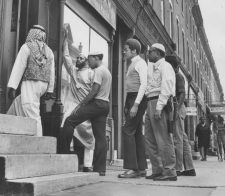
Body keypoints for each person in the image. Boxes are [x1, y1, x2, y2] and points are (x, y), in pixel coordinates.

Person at [59, 50, 112, 176]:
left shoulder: (98, 71)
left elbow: (94, 91)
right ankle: (100, 169)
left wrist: (81, 104)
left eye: (90, 59)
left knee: (69, 121)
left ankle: (64, 154)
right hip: (105, 105)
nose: (89, 62)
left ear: (96, 58)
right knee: (100, 137)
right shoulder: (107, 71)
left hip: (96, 104)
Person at [7, 25, 55, 136]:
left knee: (31, 110)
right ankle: (7, 127)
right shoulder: (49, 51)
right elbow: (52, 73)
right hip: (43, 86)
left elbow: (19, 66)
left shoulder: (27, 47)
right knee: (19, 102)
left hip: (31, 82)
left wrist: (12, 87)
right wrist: (50, 90)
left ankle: (38, 141)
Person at [61, 28, 95, 172]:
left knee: (89, 138)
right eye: (78, 58)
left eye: (81, 58)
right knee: (66, 122)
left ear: (87, 61)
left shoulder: (92, 74)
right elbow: (67, 57)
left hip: (86, 109)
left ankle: (88, 165)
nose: (78, 60)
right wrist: (65, 41)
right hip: (73, 106)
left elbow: (96, 92)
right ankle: (66, 156)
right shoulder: (73, 71)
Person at [145, 43, 177, 181]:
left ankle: (170, 171)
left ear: (158, 53)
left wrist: (159, 107)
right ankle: (157, 169)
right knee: (150, 138)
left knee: (163, 138)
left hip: (159, 102)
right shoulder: (152, 67)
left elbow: (167, 87)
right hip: (150, 101)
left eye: (150, 51)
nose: (148, 53)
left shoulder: (166, 66)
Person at [118, 39, 147, 179]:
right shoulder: (132, 64)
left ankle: (132, 168)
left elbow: (144, 85)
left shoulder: (141, 63)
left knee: (127, 130)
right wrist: (127, 104)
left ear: (134, 51)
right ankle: (141, 168)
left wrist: (135, 104)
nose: (124, 51)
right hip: (131, 98)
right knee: (135, 133)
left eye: (126, 49)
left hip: (137, 99)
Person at [166, 55, 196, 176]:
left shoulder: (178, 76)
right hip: (178, 108)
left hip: (178, 108)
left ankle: (178, 168)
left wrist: (176, 110)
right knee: (182, 139)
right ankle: (189, 168)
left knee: (178, 140)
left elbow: (182, 94)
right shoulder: (175, 75)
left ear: (172, 65)